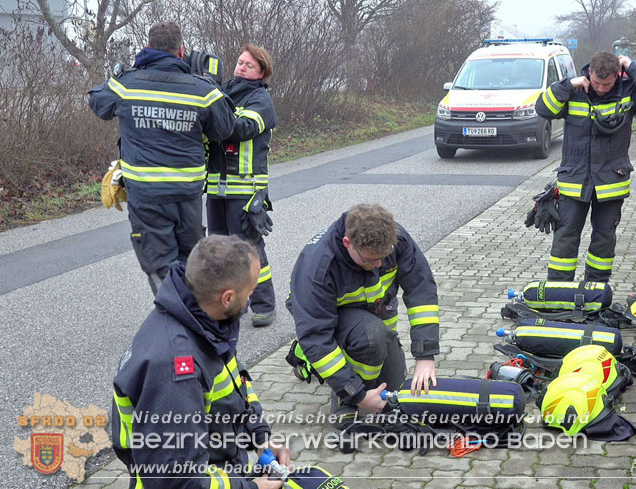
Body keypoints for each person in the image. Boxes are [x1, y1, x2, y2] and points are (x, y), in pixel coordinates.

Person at [110, 235, 290, 489]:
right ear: (228, 298)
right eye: (250, 292)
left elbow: (233, 387)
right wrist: (253, 487)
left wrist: (260, 436)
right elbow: (177, 480)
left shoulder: (203, 321)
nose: (251, 299)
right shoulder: (175, 369)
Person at [89, 22, 235, 296]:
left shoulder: (126, 85)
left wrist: (119, 74)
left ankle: (177, 315)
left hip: (147, 195)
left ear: (147, 47)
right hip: (187, 195)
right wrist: (211, 83)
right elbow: (224, 129)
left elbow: (98, 103)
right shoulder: (201, 89)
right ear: (181, 51)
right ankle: (194, 313)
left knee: (160, 265)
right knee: (191, 261)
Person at [286, 204, 440, 428]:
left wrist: (425, 356)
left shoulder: (397, 240)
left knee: (397, 394)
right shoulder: (319, 266)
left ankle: (320, 357)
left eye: (384, 257)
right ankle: (343, 397)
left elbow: (421, 291)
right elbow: (316, 335)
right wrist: (357, 394)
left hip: (375, 323)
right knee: (368, 337)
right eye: (370, 260)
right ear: (347, 243)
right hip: (331, 320)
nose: (379, 265)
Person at [534, 51, 636, 282]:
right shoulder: (574, 92)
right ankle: (559, 290)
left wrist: (631, 67)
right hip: (574, 182)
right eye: (596, 82)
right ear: (590, 73)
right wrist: (568, 84)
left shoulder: (627, 92)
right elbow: (543, 108)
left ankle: (595, 290)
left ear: (617, 75)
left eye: (607, 84)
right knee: (565, 237)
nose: (601, 88)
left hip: (610, 183)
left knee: (604, 241)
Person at [206, 44, 278, 328]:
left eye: (249, 65)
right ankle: (233, 304)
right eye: (239, 62)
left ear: (262, 72)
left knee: (248, 249)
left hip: (246, 189)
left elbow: (241, 129)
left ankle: (264, 305)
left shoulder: (261, 100)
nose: (241, 68)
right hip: (216, 187)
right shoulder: (222, 93)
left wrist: (214, 109)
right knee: (219, 250)